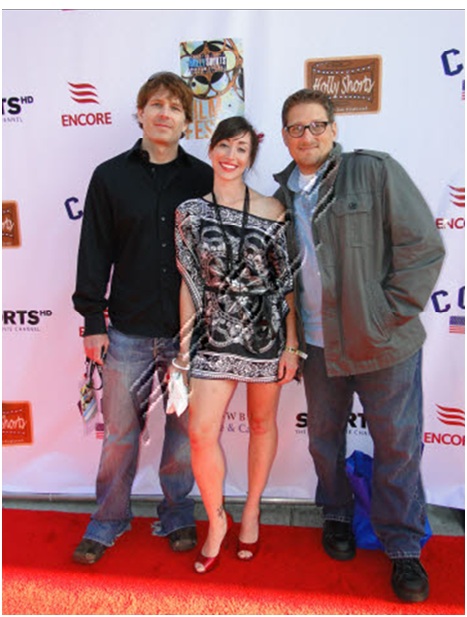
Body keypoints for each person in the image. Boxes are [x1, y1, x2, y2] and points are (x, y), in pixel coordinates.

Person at [274, 89, 445, 603]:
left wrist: (387, 314)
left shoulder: (373, 171)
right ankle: (337, 513)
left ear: (334, 129)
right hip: (318, 346)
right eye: (296, 128)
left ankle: (402, 545)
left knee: (397, 444)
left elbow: (423, 246)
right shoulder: (279, 197)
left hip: (383, 343)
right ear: (285, 136)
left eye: (316, 125)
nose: (307, 136)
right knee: (323, 440)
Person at [71, 71, 213, 564]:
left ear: (186, 122)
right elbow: (95, 250)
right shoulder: (110, 176)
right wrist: (93, 319)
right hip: (127, 331)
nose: (164, 113)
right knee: (118, 436)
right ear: (140, 113)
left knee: (184, 436)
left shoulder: (204, 179)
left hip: (187, 336)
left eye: (174, 107)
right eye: (156, 104)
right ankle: (109, 518)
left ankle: (177, 513)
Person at [172, 116, 301, 574]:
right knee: (201, 433)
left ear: (250, 159)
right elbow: (189, 283)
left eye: (242, 149)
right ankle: (217, 520)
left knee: (262, 425)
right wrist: (184, 353)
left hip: (266, 335)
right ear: (211, 149)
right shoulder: (190, 212)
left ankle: (251, 511)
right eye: (224, 145)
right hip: (212, 336)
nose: (231, 155)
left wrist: (292, 345)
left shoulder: (272, 209)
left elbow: (286, 284)